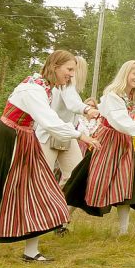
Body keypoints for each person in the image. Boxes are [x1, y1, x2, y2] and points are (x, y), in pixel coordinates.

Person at [0, 51, 101, 265]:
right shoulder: (33, 88)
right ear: (55, 66)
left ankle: (31, 250)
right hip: (6, 140)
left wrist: (85, 111)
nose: (71, 75)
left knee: (37, 192)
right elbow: (48, 121)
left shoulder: (47, 88)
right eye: (69, 69)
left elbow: (68, 103)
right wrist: (81, 134)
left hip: (24, 140)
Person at [63, 60, 135, 235]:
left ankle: (123, 232)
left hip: (123, 145)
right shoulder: (112, 96)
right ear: (125, 73)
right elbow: (124, 124)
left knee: (126, 186)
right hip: (107, 143)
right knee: (87, 181)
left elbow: (128, 126)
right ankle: (61, 223)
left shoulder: (131, 97)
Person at [40, 55, 99, 196]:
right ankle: (40, 212)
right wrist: (87, 109)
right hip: (49, 134)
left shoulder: (70, 88)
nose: (72, 73)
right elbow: (72, 103)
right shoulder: (64, 86)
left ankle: (58, 213)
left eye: (74, 69)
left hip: (67, 135)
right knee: (41, 178)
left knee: (76, 177)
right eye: (70, 69)